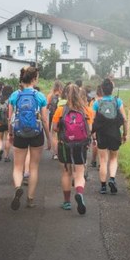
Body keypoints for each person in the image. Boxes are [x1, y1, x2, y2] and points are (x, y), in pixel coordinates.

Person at [8, 66, 51, 210]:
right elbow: (44, 120)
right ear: (34, 79)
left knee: (18, 166)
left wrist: (10, 133)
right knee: (33, 167)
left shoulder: (14, 96)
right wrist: (49, 138)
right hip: (36, 134)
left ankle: (18, 187)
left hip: (19, 133)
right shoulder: (40, 96)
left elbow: (10, 118)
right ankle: (30, 199)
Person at [52, 83, 94, 214]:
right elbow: (90, 130)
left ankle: (67, 202)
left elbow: (54, 128)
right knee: (79, 173)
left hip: (65, 145)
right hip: (81, 145)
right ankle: (80, 193)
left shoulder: (60, 110)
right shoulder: (87, 110)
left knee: (66, 173)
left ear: (65, 94)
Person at [92, 78, 128, 195]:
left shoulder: (97, 103)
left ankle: (103, 187)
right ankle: (112, 179)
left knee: (103, 160)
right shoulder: (118, 101)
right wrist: (125, 134)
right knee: (113, 158)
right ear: (112, 90)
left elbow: (93, 121)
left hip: (101, 134)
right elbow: (125, 119)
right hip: (115, 133)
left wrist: (92, 136)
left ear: (102, 89)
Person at [0, 84, 13, 162]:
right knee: (8, 138)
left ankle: (0, 148)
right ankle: (6, 156)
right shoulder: (11, 99)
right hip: (8, 121)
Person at [45, 80, 63, 159]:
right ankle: (62, 152)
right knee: (62, 134)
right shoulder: (64, 95)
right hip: (63, 116)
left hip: (53, 117)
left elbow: (46, 107)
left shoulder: (50, 95)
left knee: (53, 135)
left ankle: (55, 154)